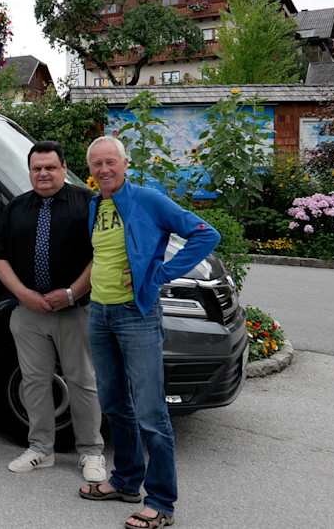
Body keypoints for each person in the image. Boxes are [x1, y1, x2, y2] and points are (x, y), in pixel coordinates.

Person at [80, 135, 220, 529]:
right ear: (90, 170)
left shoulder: (147, 199)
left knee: (150, 411)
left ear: (125, 164)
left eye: (111, 162)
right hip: (100, 314)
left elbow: (205, 234)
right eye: (97, 164)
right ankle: (125, 481)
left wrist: (159, 273)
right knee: (113, 403)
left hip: (135, 315)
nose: (104, 169)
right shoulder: (96, 205)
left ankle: (161, 502)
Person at [0, 141, 106, 482]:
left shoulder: (87, 203)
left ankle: (91, 452)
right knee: (35, 382)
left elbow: (101, 253)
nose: (43, 173)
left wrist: (72, 293)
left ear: (63, 168)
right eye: (37, 168)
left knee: (83, 382)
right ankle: (41, 449)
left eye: (50, 167)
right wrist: (24, 295)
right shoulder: (17, 207)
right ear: (30, 172)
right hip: (28, 312)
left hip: (74, 310)